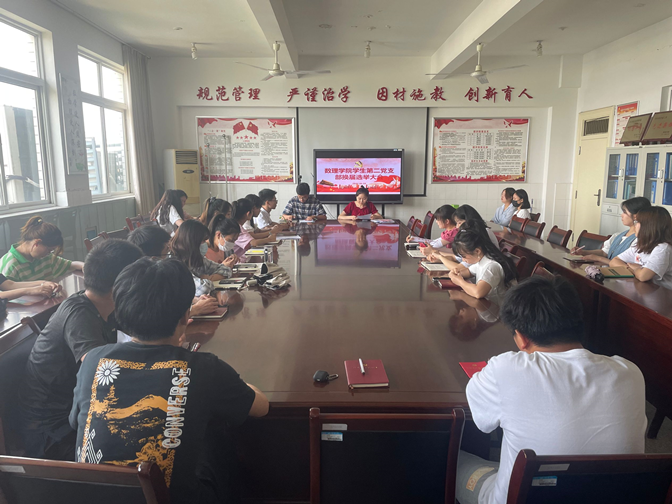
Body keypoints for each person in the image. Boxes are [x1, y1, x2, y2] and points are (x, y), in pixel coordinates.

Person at [70, 257, 269, 503]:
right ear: (186, 315)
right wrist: (239, 384)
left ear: (119, 311)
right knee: (217, 439)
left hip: (94, 496)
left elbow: (76, 422)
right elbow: (261, 407)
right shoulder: (204, 368)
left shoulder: (94, 360)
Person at [456, 276, 646, 504]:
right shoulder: (630, 373)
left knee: (452, 460)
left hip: (524, 495)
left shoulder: (505, 369)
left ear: (522, 338)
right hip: (610, 495)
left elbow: (483, 423)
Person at [17, 239, 143, 460]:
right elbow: (102, 374)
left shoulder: (106, 306)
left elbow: (142, 331)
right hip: (53, 435)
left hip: (78, 417)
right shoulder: (79, 314)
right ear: (121, 286)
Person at [127, 226, 217, 317]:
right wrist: (195, 310)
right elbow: (155, 318)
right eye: (167, 250)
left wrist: (195, 300)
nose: (170, 254)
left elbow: (171, 298)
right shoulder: (136, 287)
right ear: (153, 259)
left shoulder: (148, 273)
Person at [570, 197, 651, 265]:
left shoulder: (639, 240)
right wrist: (583, 252)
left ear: (635, 216)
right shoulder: (618, 235)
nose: (621, 215)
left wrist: (598, 258)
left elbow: (627, 266)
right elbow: (604, 253)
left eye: (625, 212)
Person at [0, 216, 84, 281]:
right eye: (49, 250)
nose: (49, 253)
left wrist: (84, 266)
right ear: (37, 243)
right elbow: (5, 296)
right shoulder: (10, 265)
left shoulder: (46, 258)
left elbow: (70, 265)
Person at [442, 229, 516, 301]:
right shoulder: (482, 260)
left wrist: (460, 282)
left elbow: (478, 293)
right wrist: (456, 273)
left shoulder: (491, 266)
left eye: (464, 256)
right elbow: (468, 271)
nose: (463, 260)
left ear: (477, 251)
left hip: (496, 307)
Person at [610, 206, 672, 289]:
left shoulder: (663, 248)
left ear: (648, 226)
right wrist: (631, 268)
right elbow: (614, 261)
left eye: (637, 222)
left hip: (663, 293)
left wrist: (637, 269)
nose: (635, 225)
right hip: (645, 288)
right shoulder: (641, 244)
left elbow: (643, 276)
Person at [170, 220, 234, 296]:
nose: (205, 244)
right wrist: (208, 279)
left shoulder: (196, 258)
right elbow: (203, 288)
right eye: (202, 241)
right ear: (193, 242)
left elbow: (226, 269)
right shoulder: (175, 263)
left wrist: (208, 278)